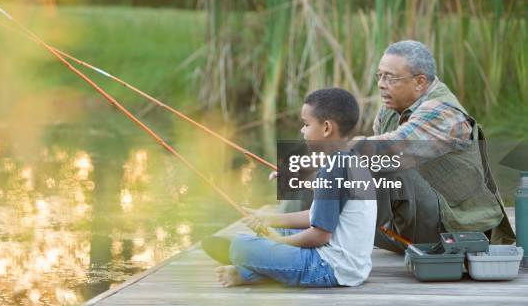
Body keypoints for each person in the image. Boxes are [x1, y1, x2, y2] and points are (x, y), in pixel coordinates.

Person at [204, 88, 377, 288]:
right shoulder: (350, 159)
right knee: (281, 231)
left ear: (327, 127)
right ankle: (249, 271)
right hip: (353, 267)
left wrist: (280, 244)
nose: (302, 131)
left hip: (330, 268)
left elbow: (320, 235)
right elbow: (316, 216)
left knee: (243, 246)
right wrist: (270, 219)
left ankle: (245, 261)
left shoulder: (333, 169)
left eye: (306, 124)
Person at [353, 40, 515, 253]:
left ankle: (346, 234)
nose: (381, 84)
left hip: (457, 229)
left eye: (390, 77)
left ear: (420, 82)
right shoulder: (389, 110)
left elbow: (394, 147)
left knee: (389, 161)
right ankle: (341, 230)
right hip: (414, 226)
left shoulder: (442, 112)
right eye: (380, 76)